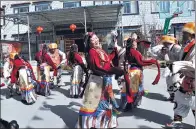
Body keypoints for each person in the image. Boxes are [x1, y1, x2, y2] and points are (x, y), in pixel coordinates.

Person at [75, 32, 129, 128]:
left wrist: (114, 50)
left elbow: (108, 60)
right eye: (92, 40)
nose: (95, 41)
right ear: (89, 43)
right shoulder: (91, 52)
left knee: (104, 102)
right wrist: (113, 71)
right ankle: (92, 124)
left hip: (104, 79)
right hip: (97, 81)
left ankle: (102, 123)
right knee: (96, 104)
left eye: (96, 38)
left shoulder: (100, 50)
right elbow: (97, 67)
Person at [166, 22, 195, 128]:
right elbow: (180, 58)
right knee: (179, 99)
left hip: (194, 80)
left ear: (191, 34)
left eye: (185, 33)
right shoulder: (187, 46)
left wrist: (177, 65)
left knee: (193, 103)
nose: (182, 35)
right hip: (186, 79)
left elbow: (193, 65)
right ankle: (177, 123)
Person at [122, 34, 161, 111]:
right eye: (135, 43)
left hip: (131, 71)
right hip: (137, 72)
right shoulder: (135, 52)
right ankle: (131, 104)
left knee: (132, 88)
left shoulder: (127, 52)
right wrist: (152, 61)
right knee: (138, 88)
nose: (136, 43)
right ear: (132, 44)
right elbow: (141, 62)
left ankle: (131, 104)